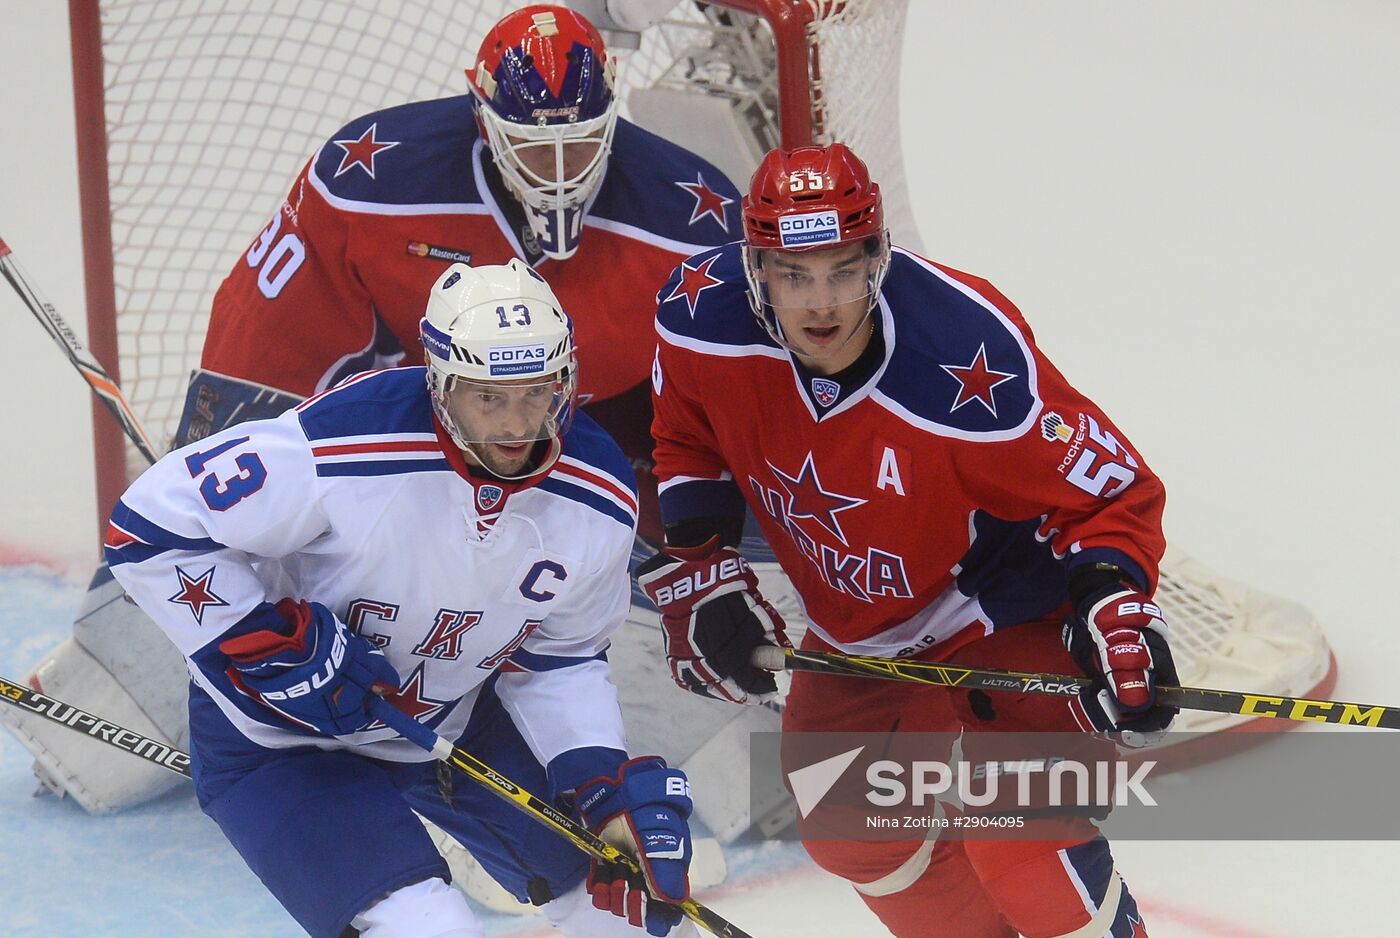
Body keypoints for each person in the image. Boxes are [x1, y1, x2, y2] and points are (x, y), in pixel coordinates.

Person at [7, 2, 743, 820]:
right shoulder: (372, 178)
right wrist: (227, 482)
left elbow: (726, 403)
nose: (560, 170)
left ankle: (620, 754)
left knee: (610, 578)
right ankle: (145, 694)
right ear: (483, 115)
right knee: (297, 525)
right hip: (423, 421)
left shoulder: (693, 215)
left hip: (587, 434)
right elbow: (271, 343)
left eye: (580, 142)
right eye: (537, 146)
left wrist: (704, 549)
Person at [637, 143, 1178, 937]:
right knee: (853, 835)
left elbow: (1111, 488)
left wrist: (1113, 604)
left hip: (1001, 608)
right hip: (861, 629)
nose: (821, 304)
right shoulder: (699, 317)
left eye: (842, 271)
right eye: (794, 274)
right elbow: (685, 438)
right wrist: (704, 572)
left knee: (1020, 837)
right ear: (755, 268)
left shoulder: (965, 357)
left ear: (879, 261)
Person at [103, 261, 697, 938]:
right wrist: (261, 639)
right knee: (427, 926)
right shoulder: (347, 442)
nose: (517, 424)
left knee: (623, 906)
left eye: (536, 393)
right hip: (282, 741)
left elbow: (561, 656)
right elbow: (147, 526)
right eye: (488, 397)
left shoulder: (599, 495)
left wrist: (597, 781)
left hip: (449, 720)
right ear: (440, 384)